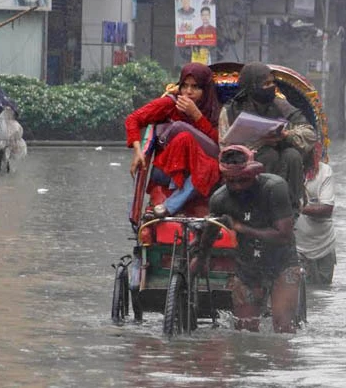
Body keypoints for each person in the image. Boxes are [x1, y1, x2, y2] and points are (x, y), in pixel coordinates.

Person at [192, 145, 301, 333]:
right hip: (248, 267)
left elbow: (284, 235)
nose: (237, 187)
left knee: (284, 331)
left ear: (254, 173)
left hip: (282, 264)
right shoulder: (220, 199)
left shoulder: (275, 188)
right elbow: (210, 231)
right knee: (244, 331)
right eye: (231, 181)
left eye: (243, 180)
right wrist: (200, 258)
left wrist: (241, 228)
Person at [125, 63, 221, 217]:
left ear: (206, 90)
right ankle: (169, 206)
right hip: (170, 167)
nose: (188, 92)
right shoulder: (170, 103)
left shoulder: (215, 109)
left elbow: (218, 145)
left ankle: (169, 207)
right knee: (185, 137)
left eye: (195, 87)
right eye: (185, 86)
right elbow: (133, 119)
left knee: (210, 166)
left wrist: (197, 116)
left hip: (202, 171)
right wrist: (138, 150)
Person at [219, 62, 317, 212]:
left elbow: (309, 134)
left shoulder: (282, 106)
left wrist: (286, 135)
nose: (271, 87)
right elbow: (224, 147)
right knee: (267, 155)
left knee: (292, 155)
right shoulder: (231, 110)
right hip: (245, 165)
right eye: (266, 84)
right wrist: (258, 143)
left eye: (272, 83)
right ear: (251, 86)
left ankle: (290, 208)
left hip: (282, 158)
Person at [294, 142, 336, 285]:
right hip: (297, 247)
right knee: (302, 292)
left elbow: (326, 209)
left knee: (322, 293)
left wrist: (298, 208)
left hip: (324, 244)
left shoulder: (324, 172)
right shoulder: (288, 171)